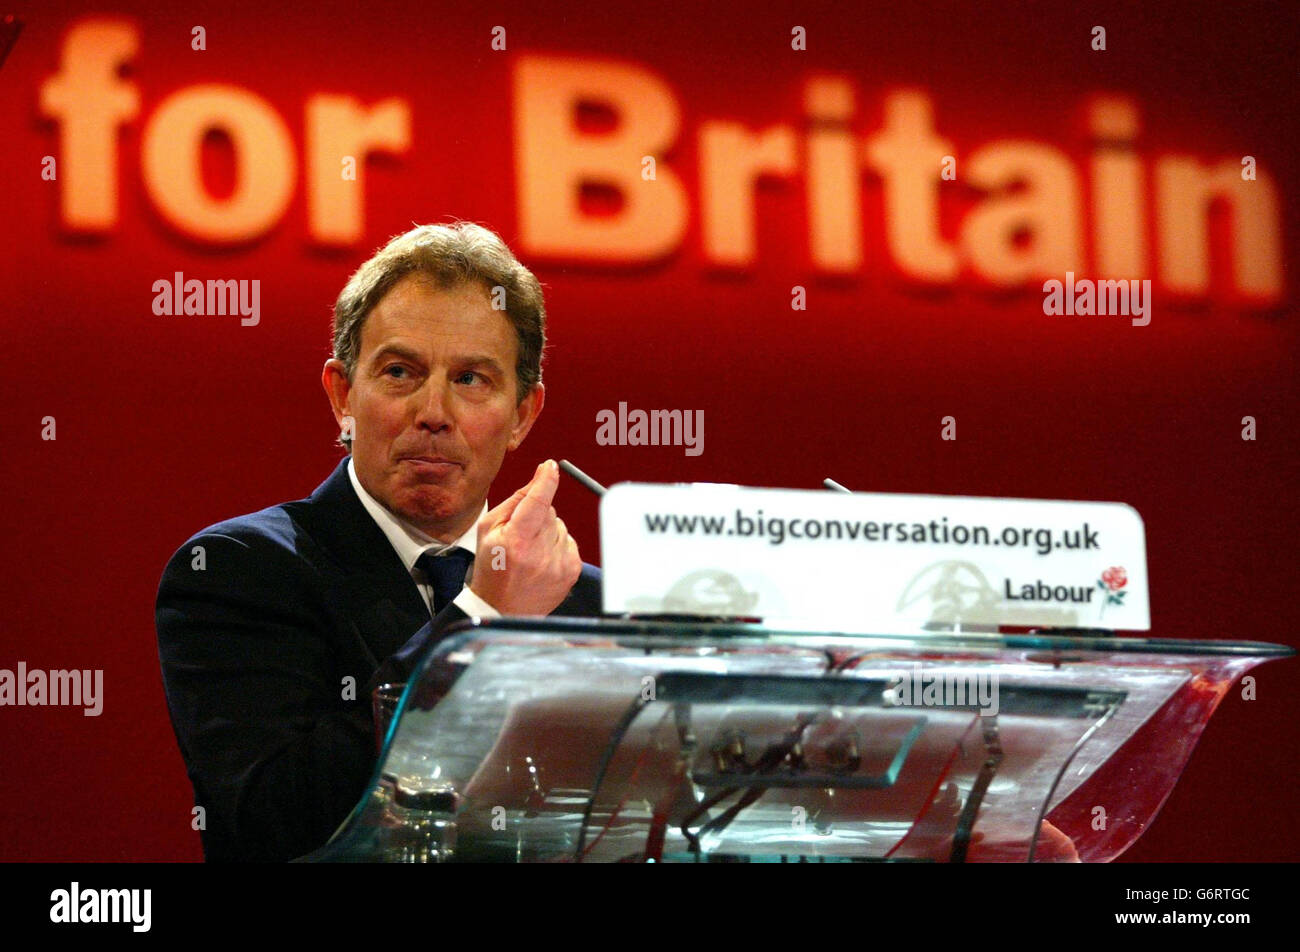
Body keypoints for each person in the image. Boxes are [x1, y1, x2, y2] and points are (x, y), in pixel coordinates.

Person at [155, 222, 602, 862]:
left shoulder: (594, 607)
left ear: (522, 416)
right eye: (400, 371)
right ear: (343, 396)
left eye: (472, 379)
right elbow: (279, 819)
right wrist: (483, 621)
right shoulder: (238, 573)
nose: (435, 411)